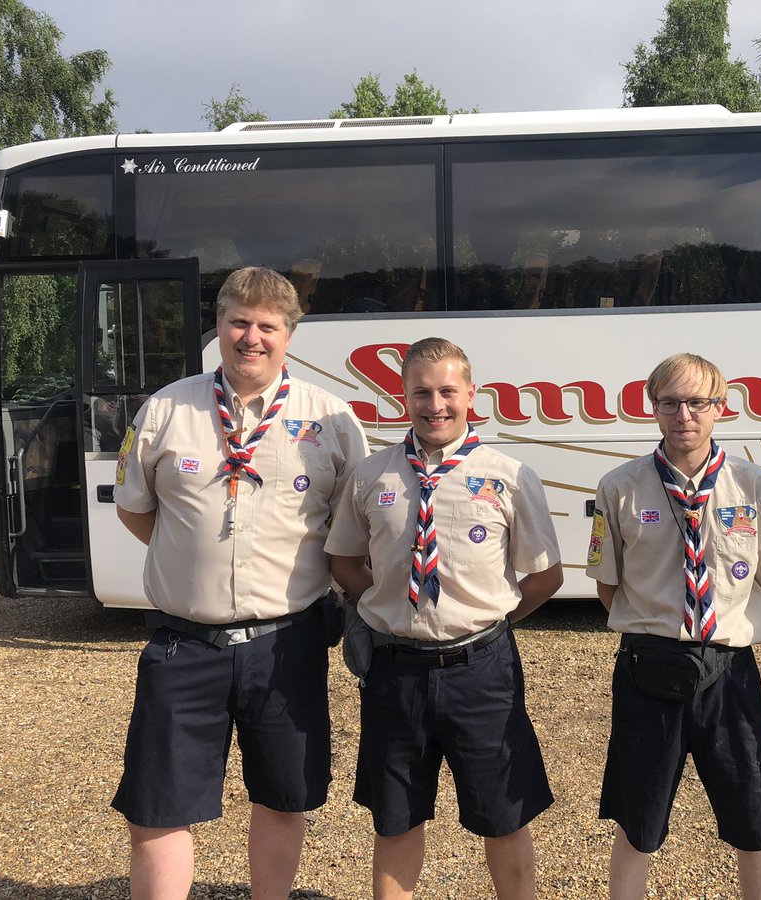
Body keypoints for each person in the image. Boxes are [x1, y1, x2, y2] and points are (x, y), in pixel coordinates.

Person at [111, 266, 369, 900]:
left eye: (268, 326)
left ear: (289, 335)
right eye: (238, 322)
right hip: (183, 646)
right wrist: (189, 559)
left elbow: (353, 523)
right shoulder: (165, 409)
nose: (252, 337)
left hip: (289, 644)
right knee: (157, 811)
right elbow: (135, 508)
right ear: (219, 325)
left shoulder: (332, 420)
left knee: (284, 798)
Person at [326, 337, 562, 900]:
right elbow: (342, 560)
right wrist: (384, 602)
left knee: (504, 814)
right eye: (422, 392)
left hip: (483, 672)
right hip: (394, 672)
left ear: (471, 393)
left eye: (447, 391)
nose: (436, 404)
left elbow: (545, 577)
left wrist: (490, 620)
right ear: (402, 396)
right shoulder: (371, 475)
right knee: (395, 817)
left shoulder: (508, 475)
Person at [586, 353, 761, 900]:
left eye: (697, 402)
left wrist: (725, 634)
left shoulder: (752, 484)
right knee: (636, 819)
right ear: (653, 409)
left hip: (730, 674)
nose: (683, 414)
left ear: (721, 408)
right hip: (647, 671)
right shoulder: (619, 486)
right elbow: (607, 584)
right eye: (670, 402)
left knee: (752, 815)